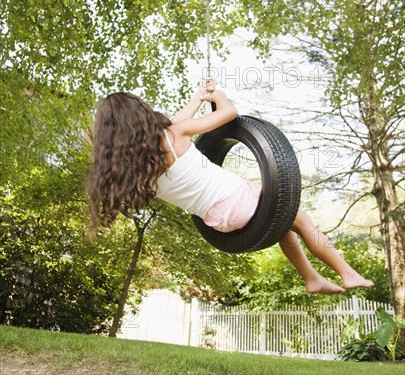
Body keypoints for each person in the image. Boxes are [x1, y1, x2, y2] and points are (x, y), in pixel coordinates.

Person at [88, 80, 373, 295]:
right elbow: (228, 113)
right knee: (299, 216)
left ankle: (311, 278)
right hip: (238, 200)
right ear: (140, 115)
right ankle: (346, 272)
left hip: (218, 221)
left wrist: (198, 98)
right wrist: (219, 98)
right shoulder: (173, 134)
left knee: (285, 225)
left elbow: (175, 121)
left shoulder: (134, 169)